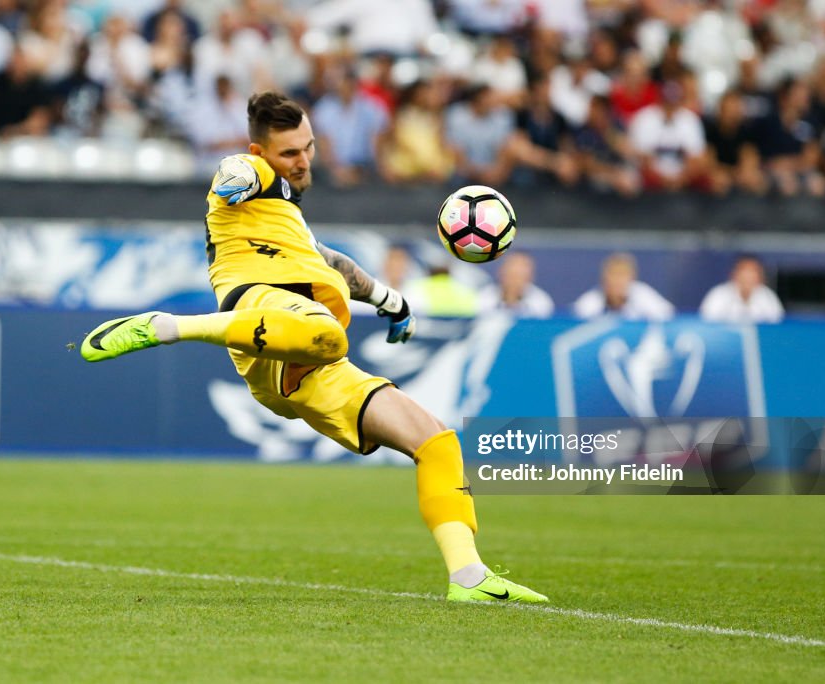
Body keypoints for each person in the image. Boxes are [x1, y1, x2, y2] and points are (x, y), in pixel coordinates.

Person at [80, 91, 548, 604]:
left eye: (309, 147)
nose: (303, 160)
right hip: (264, 312)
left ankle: (468, 578)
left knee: (436, 442)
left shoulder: (288, 219)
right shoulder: (253, 174)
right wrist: (235, 181)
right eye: (289, 153)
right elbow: (233, 172)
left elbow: (329, 261)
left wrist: (390, 299)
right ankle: (169, 328)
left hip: (311, 362)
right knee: (329, 334)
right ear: (263, 153)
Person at [574, 252, 675, 320]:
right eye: (613, 275)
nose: (617, 281)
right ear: (604, 279)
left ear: (632, 278)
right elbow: (576, 323)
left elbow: (668, 317)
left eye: (622, 275)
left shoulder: (642, 295)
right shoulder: (589, 302)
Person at [699, 255, 784, 323]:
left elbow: (778, 327)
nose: (748, 277)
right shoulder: (719, 294)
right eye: (744, 272)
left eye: (753, 272)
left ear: (760, 276)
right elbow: (706, 324)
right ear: (734, 274)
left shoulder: (768, 297)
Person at [478, 251, 554, 318]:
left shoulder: (541, 302)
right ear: (500, 272)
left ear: (530, 276)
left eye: (519, 276)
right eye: (511, 275)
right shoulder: (484, 297)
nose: (514, 281)